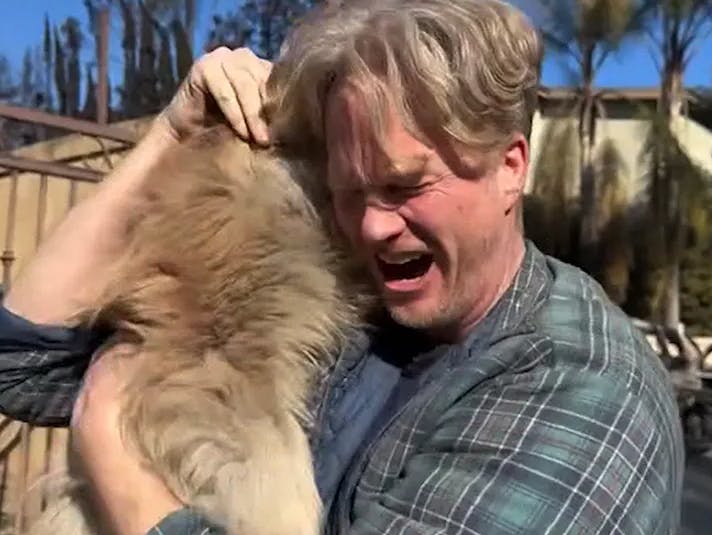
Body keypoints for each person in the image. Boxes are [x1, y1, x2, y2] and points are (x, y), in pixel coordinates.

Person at [0, 0, 684, 534]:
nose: (371, 225)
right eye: (348, 192)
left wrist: (114, 462)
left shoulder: (586, 389)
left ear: (511, 169)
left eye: (405, 187)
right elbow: (21, 362)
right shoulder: (365, 311)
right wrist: (170, 134)